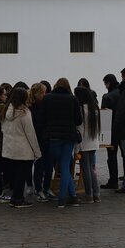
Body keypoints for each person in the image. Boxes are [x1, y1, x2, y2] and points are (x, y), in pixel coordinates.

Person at [43, 78, 83, 208]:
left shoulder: (47, 98)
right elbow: (78, 120)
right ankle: (70, 196)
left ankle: (66, 198)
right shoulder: (73, 99)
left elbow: (44, 116)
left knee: (62, 164)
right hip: (69, 135)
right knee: (65, 165)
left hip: (53, 135)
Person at [1, 87, 41, 208]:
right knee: (21, 174)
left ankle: (15, 197)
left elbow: (3, 129)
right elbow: (30, 133)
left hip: (9, 148)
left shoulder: (6, 110)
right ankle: (18, 198)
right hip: (23, 149)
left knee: (14, 174)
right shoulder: (24, 113)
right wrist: (37, 151)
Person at [29, 83, 56, 202]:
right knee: (39, 165)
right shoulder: (32, 107)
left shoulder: (47, 104)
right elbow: (33, 125)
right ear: (35, 94)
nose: (44, 95)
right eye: (42, 93)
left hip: (47, 138)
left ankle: (47, 188)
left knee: (49, 165)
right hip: (38, 139)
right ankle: (39, 189)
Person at [75, 86, 101, 203]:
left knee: (85, 169)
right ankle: (96, 194)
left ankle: (89, 194)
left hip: (84, 143)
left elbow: (79, 127)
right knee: (91, 168)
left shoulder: (80, 109)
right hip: (93, 141)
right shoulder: (94, 108)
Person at [100, 73, 122, 189]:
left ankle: (113, 180)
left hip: (112, 130)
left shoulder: (108, 97)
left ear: (108, 83)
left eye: (105, 84)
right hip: (123, 129)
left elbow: (104, 117)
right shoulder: (122, 92)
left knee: (111, 157)